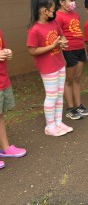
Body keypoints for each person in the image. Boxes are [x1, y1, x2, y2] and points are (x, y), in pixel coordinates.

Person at [27, 0, 73, 136]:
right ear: (44, 11)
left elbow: (62, 35)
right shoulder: (34, 29)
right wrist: (52, 46)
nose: (54, 12)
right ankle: (50, 126)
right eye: (52, 9)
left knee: (59, 94)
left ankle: (58, 122)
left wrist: (63, 42)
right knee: (52, 95)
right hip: (48, 68)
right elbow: (32, 50)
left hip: (59, 63)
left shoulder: (53, 23)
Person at [54, 0, 88, 120]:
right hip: (68, 51)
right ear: (62, 2)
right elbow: (57, 35)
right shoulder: (57, 16)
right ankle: (71, 108)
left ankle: (79, 105)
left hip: (80, 48)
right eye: (71, 0)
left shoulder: (75, 14)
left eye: (74, 0)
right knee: (68, 80)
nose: (73, 3)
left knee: (77, 78)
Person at [0, 30, 27, 169]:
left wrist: (6, 51)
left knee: (0, 116)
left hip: (2, 79)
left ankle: (5, 148)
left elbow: (2, 48)